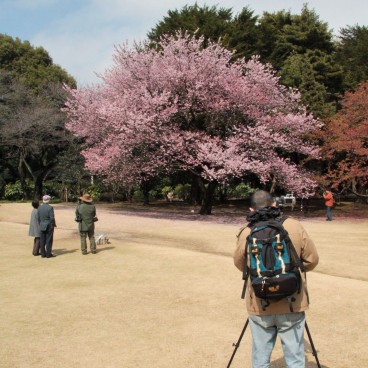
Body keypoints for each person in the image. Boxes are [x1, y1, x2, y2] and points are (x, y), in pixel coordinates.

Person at [233, 190, 319, 368]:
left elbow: (242, 266)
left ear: (251, 208)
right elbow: (311, 261)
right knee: (295, 357)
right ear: (274, 204)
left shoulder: (246, 232)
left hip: (259, 301)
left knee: (260, 357)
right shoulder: (294, 226)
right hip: (291, 300)